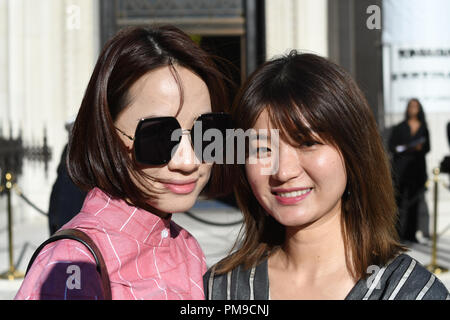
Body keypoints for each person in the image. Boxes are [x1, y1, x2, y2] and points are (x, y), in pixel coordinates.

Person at [204, 52, 450, 300]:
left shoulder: (411, 293)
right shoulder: (219, 289)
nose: (283, 171)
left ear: (353, 150)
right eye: (262, 149)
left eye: (307, 143)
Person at [15, 25, 232, 300]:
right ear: (107, 132)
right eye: (159, 136)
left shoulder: (188, 248)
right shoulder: (73, 264)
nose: (188, 161)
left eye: (206, 133)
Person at [388, 99, 430, 243]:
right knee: (398, 203)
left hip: (417, 170)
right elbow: (391, 146)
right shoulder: (400, 127)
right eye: (411, 106)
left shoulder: (423, 127)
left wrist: (419, 148)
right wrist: (406, 147)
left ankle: (411, 234)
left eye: (416, 106)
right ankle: (397, 235)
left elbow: (428, 147)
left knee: (414, 204)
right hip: (401, 170)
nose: (413, 109)